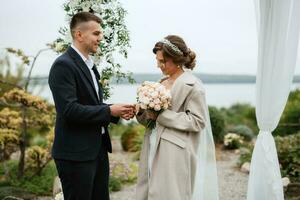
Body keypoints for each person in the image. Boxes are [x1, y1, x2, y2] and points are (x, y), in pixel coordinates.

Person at [48, 12, 135, 200]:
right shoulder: (63, 65)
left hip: (96, 150)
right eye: (96, 34)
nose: (100, 38)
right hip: (75, 154)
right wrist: (108, 110)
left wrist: (115, 110)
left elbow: (90, 104)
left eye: (100, 34)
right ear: (79, 34)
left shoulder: (88, 64)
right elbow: (69, 110)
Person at [136, 35, 219, 200]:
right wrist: (141, 112)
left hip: (176, 151)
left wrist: (161, 115)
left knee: (170, 194)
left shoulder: (193, 86)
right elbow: (150, 120)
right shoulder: (160, 83)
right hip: (153, 142)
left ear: (176, 59)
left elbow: (198, 121)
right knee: (150, 189)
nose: (158, 65)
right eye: (157, 60)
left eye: (162, 61)